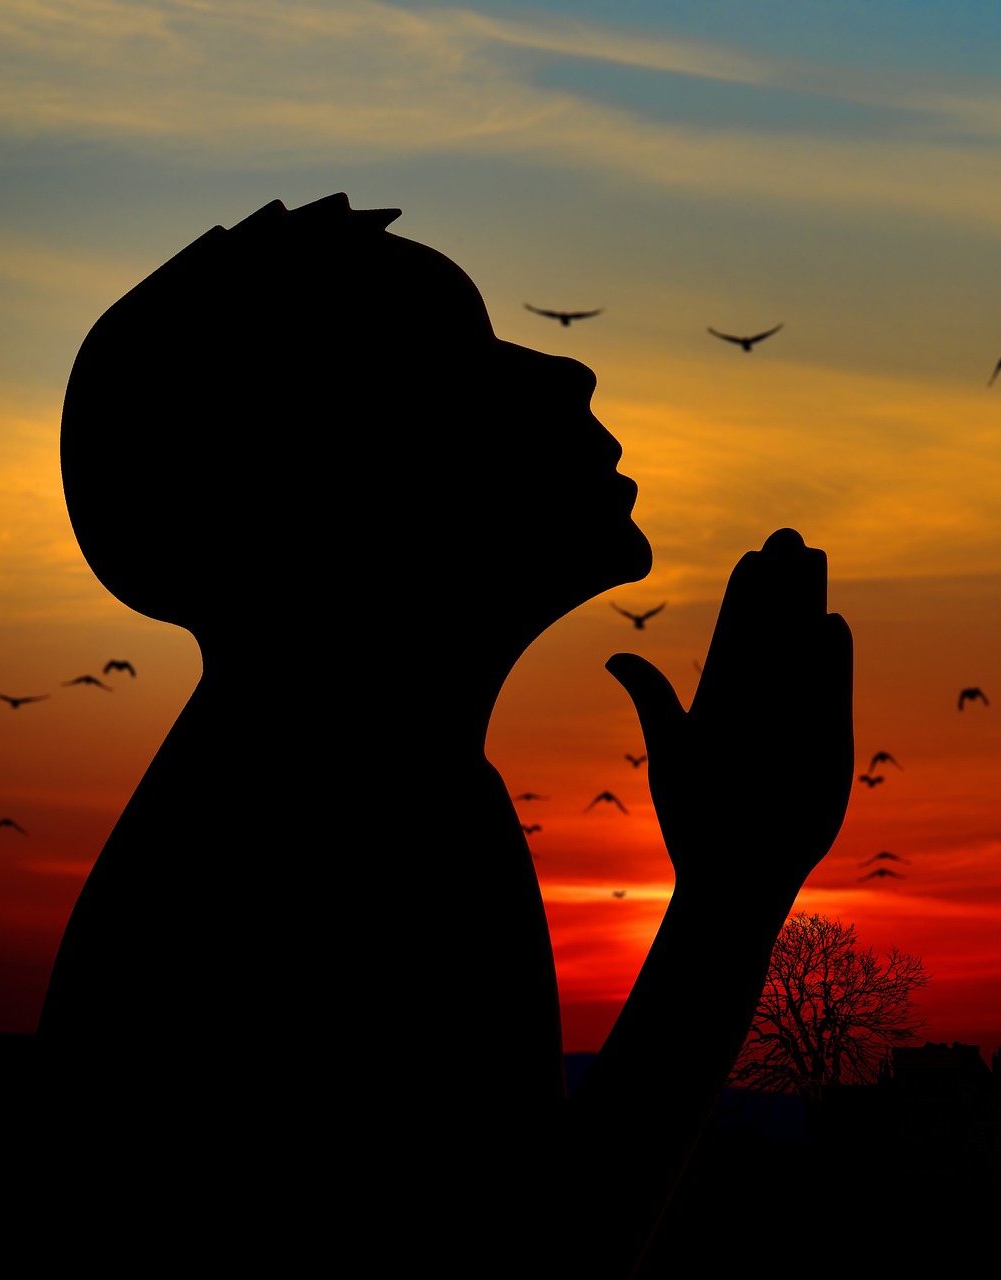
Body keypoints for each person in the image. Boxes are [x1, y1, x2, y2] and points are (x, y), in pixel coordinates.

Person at [43, 193, 853, 1262]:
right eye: (458, 357)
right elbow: (515, 1277)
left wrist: (732, 886)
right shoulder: (338, 821)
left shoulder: (343, 777)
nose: (569, 372)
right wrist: (733, 895)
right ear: (337, 471)